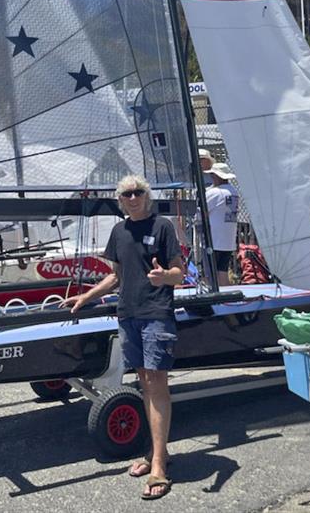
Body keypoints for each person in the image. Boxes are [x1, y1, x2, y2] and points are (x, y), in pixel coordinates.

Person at [64, 175, 184, 500]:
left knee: (157, 384)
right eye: (126, 194)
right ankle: (156, 452)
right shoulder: (120, 231)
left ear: (147, 195)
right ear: (121, 200)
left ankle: (159, 461)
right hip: (128, 315)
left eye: (138, 192)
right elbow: (115, 276)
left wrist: (165, 277)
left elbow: (179, 272)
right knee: (144, 383)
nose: (132, 197)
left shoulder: (162, 227)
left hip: (156, 314)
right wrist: (85, 298)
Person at [202, 162, 238, 287]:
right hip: (228, 241)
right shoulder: (234, 192)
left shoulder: (214, 193)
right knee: (222, 273)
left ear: (216, 176)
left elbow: (202, 212)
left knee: (209, 275)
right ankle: (229, 301)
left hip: (214, 239)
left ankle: (211, 301)